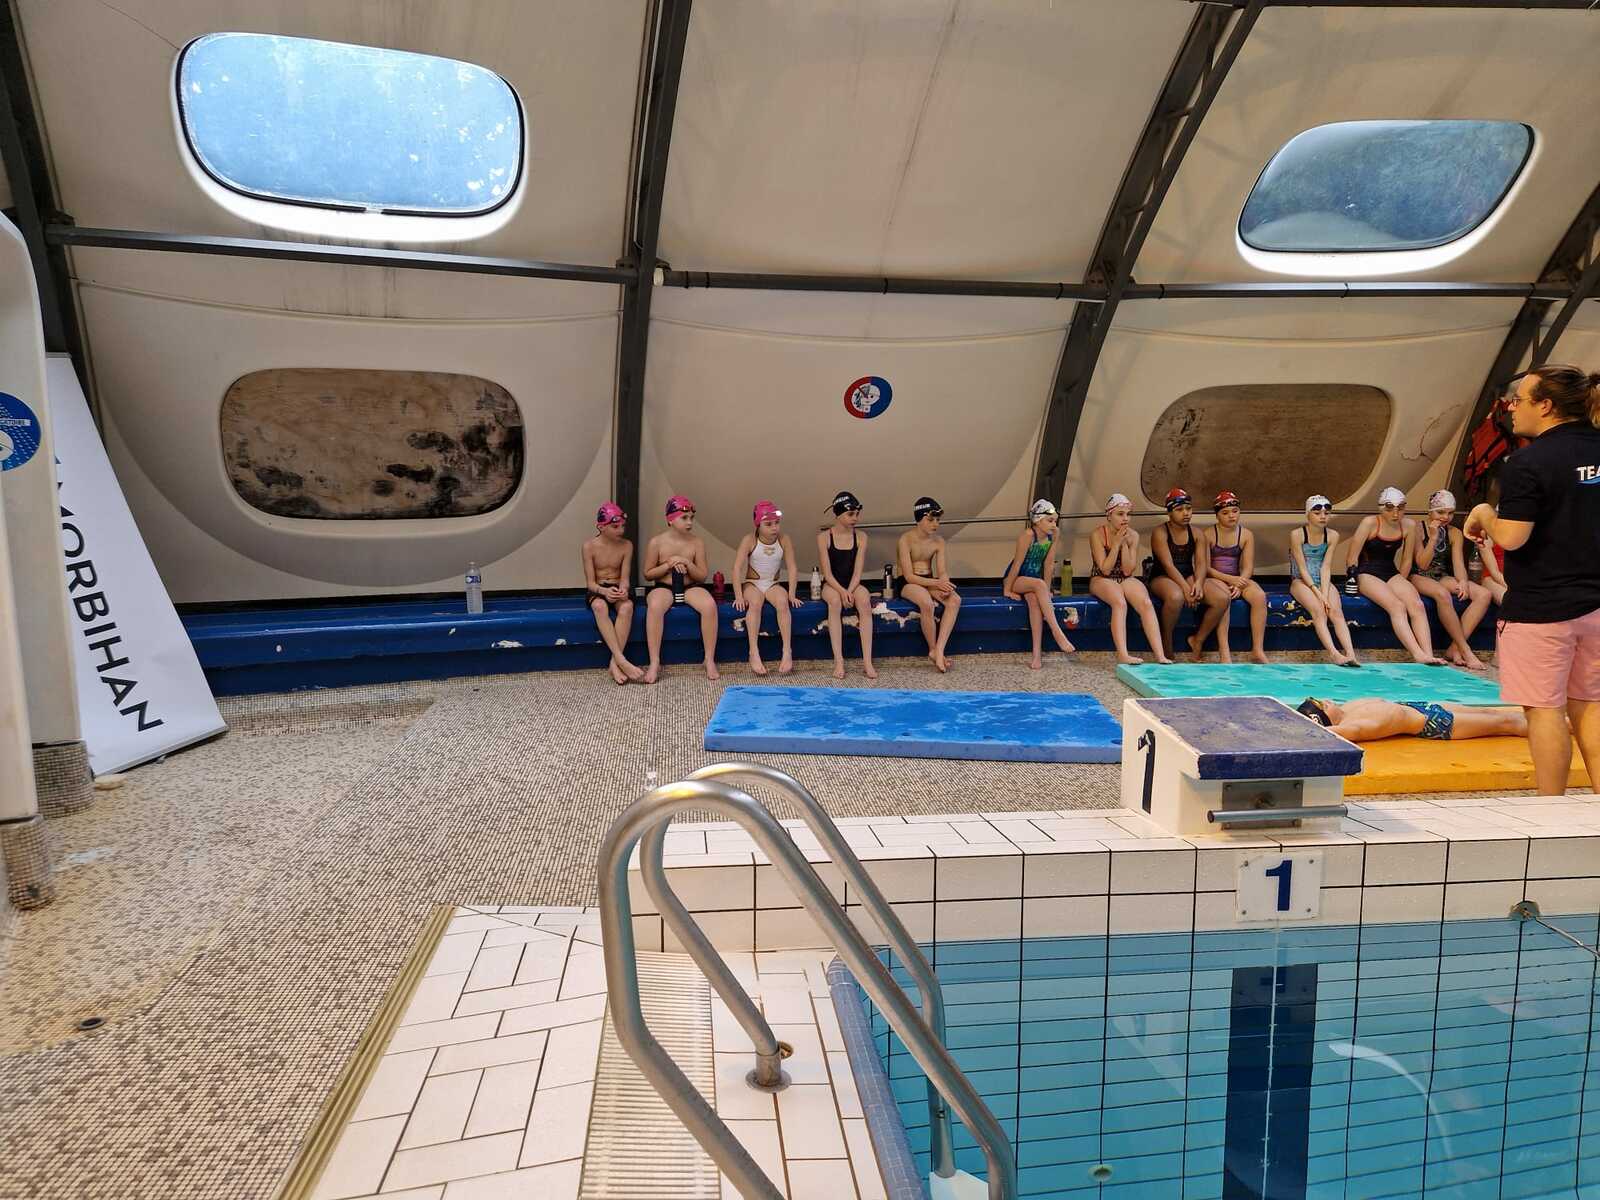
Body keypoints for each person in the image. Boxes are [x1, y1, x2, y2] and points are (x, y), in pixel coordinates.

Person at [1464, 363, 1600, 796]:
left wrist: (1484, 513)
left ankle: (1551, 811)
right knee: (1591, 706)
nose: (1510, 408)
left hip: (1543, 609)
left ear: (1545, 406)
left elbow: (1512, 538)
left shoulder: (1529, 462)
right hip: (1597, 606)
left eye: (1519, 400)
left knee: (1544, 710)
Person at [1346, 487, 1446, 666]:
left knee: (1417, 605)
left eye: (1400, 509)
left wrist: (1401, 584)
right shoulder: (1369, 523)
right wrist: (1352, 579)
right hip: (1366, 573)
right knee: (1397, 606)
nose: (1395, 514)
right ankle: (1417, 654)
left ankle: (1428, 654)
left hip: (1391, 573)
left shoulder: (1408, 525)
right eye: (1390, 508)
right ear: (1381, 508)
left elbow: (1407, 560)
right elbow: (1351, 558)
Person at [1408, 489, 1491, 671]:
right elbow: (1422, 564)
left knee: (1483, 594)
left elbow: (1458, 563)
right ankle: (1466, 650)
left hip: (1442, 575)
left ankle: (1454, 648)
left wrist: (1463, 581)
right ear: (1430, 511)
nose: (1446, 517)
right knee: (1442, 594)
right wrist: (1433, 538)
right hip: (1418, 575)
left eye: (1450, 513)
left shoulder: (1454, 533)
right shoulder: (1417, 528)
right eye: (1440, 512)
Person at [642, 495, 719, 683]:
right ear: (670, 519)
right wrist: (667, 565)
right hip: (664, 587)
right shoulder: (656, 542)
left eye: (691, 518)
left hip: (689, 586)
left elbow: (702, 576)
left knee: (709, 605)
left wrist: (687, 563)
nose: (689, 522)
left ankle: (709, 658)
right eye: (684, 518)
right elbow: (648, 574)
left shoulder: (697, 542)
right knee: (655, 606)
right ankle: (654, 661)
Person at [1088, 493, 1171, 666]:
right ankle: (1123, 654)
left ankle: (1160, 655)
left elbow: (1127, 570)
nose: (1125, 518)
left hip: (1124, 577)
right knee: (1119, 602)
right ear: (1109, 515)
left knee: (1146, 603)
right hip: (1101, 578)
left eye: (1128, 514)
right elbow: (1105, 569)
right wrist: (1116, 543)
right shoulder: (1097, 534)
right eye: (1120, 514)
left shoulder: (1133, 535)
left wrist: (1124, 544)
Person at [1002, 499, 1077, 670]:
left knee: (1035, 603)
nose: (1054, 525)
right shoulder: (1028, 535)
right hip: (1016, 579)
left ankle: (1036, 655)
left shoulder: (1053, 535)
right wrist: (1007, 589)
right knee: (1039, 585)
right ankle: (1057, 632)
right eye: (1050, 521)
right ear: (1037, 520)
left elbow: (1049, 564)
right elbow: (1017, 564)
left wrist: (1047, 591)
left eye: (1055, 521)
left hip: (1033, 581)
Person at [1194, 491, 1269, 663]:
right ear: (1217, 515)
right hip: (1215, 578)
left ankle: (1257, 649)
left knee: (1259, 596)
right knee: (1224, 597)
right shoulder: (1208, 534)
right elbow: (1205, 568)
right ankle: (1224, 650)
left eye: (1235, 511)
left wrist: (1240, 583)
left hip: (1237, 578)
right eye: (1225, 513)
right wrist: (1230, 580)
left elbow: (1248, 567)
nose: (1231, 516)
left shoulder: (1246, 535)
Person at [731, 500, 802, 677]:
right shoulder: (749, 540)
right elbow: (737, 568)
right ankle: (753, 652)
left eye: (777, 523)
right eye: (768, 524)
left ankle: (787, 651)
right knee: (755, 603)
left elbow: (792, 568)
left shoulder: (784, 540)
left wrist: (792, 594)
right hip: (752, 583)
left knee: (783, 602)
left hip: (772, 584)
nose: (774, 528)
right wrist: (738, 596)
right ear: (758, 525)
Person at [1288, 494, 1358, 667]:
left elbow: (1326, 567)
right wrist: (1319, 595)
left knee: (1336, 612)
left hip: (1323, 581)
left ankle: (1351, 654)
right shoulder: (1297, 535)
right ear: (1308, 514)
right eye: (1317, 513)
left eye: (1326, 513)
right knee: (1319, 611)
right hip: (1301, 582)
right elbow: (1302, 569)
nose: (1323, 516)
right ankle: (1334, 654)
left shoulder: (1333, 535)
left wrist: (1325, 594)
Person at [582, 502, 645, 685]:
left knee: (627, 607)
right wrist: (604, 591)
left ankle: (614, 663)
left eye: (623, 526)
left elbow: (625, 578)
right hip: (599, 589)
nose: (621, 530)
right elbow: (590, 584)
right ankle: (621, 659)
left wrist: (624, 589)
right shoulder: (589, 547)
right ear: (601, 527)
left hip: (617, 587)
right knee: (599, 606)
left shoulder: (627, 546)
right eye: (615, 526)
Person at [897, 497, 962, 672]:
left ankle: (939, 649)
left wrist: (944, 582)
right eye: (931, 520)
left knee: (955, 600)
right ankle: (932, 649)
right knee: (926, 603)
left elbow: (942, 571)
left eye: (938, 520)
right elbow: (909, 576)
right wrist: (937, 582)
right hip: (907, 582)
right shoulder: (905, 540)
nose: (935, 524)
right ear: (919, 519)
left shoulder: (939, 541)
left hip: (929, 578)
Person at [816, 490, 877, 679]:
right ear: (838, 514)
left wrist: (849, 591)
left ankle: (867, 661)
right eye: (851, 514)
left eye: (857, 514)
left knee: (864, 602)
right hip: (832, 584)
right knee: (835, 602)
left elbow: (858, 572)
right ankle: (839, 661)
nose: (855, 518)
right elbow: (827, 573)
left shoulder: (861, 537)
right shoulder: (824, 537)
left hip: (853, 583)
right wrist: (842, 592)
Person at [1296, 696, 1527, 743]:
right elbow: (1328, 734)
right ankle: (1547, 731)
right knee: (1507, 724)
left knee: (1492, 713)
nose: (1326, 701)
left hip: (1420, 707)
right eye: (1323, 706)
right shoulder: (1353, 725)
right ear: (1325, 719)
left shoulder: (1347, 709)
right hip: (1434, 723)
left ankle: (1546, 725)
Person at [1150, 488, 1204, 661]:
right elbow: (1168, 565)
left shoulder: (1197, 533)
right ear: (1169, 512)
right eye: (1179, 510)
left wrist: (1198, 583)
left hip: (1187, 573)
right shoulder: (1160, 532)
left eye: (1188, 508)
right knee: (1176, 596)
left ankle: (1199, 640)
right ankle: (1166, 641)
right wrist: (1186, 588)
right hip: (1162, 576)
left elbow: (1201, 563)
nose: (1186, 513)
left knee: (1220, 598)